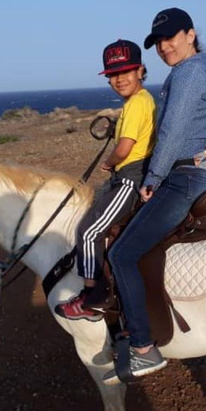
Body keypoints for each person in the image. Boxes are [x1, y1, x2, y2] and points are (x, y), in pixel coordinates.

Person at [102, 7, 206, 385]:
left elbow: (172, 131)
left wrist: (153, 177)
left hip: (185, 178)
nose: (164, 47)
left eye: (171, 38)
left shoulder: (188, 72)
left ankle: (143, 348)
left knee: (120, 253)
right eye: (158, 42)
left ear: (190, 34)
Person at [55, 39, 156, 322]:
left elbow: (124, 147)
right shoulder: (137, 102)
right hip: (126, 175)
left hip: (130, 179)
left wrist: (108, 163)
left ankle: (93, 296)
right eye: (113, 74)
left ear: (140, 71)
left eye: (125, 72)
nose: (119, 79)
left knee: (88, 232)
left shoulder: (137, 103)